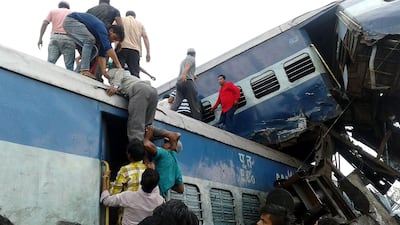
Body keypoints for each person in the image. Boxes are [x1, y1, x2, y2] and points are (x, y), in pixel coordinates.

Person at [104, 68, 180, 147]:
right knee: (147, 128)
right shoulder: (132, 77)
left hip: (140, 90)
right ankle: (170, 134)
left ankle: (137, 157)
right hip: (152, 91)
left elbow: (119, 72)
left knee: (135, 129)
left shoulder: (117, 72)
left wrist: (115, 86)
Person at [63, 12, 124, 79]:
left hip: (72, 24)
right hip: (71, 21)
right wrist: (119, 66)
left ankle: (77, 71)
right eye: (114, 38)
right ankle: (84, 70)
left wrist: (104, 72)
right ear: (111, 31)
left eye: (115, 41)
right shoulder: (102, 29)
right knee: (89, 40)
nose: (113, 41)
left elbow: (102, 55)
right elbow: (108, 48)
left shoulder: (102, 37)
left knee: (94, 50)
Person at [142, 125, 184, 198]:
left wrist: (147, 136)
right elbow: (181, 189)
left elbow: (146, 144)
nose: (163, 144)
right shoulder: (176, 167)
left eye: (166, 142)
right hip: (159, 198)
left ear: (171, 146)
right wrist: (165, 185)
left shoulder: (165, 153)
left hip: (149, 194)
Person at [37, 1, 75, 71]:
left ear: (59, 6)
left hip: (55, 37)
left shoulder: (53, 11)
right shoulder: (72, 13)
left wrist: (40, 38)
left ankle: (46, 79)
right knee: (69, 67)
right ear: (68, 7)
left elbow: (45, 23)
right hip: (68, 38)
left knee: (50, 64)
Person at [170, 48, 202, 120]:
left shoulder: (183, 61)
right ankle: (198, 121)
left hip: (179, 83)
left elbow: (186, 69)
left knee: (177, 102)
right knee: (193, 102)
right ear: (194, 54)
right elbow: (187, 66)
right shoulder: (192, 59)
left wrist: (193, 76)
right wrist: (184, 74)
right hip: (187, 82)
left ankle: (169, 115)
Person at [117, 10, 150, 78]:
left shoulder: (121, 20)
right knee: (135, 73)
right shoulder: (140, 24)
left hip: (121, 47)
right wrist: (148, 53)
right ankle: (135, 86)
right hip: (135, 50)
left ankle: (116, 86)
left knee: (118, 70)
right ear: (134, 16)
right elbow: (145, 37)